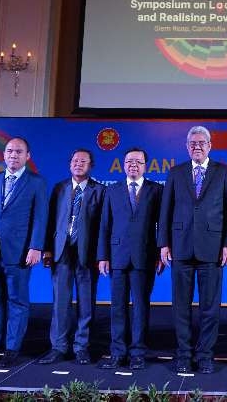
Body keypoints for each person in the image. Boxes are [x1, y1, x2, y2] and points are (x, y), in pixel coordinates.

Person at [158, 126, 227, 374]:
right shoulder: (176, 172)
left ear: (210, 146)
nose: (197, 147)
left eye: (202, 143)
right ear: (186, 146)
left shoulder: (224, 172)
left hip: (213, 249)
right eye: (193, 143)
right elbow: (165, 210)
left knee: (210, 308)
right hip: (180, 247)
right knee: (180, 307)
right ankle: (183, 354)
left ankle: (205, 356)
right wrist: (163, 243)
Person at [0, 137, 48, 368]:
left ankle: (11, 349)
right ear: (4, 154)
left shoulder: (36, 182)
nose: (13, 155)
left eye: (18, 151)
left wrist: (36, 246)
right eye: (9, 151)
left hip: (20, 252)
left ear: (28, 156)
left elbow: (40, 217)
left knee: (17, 302)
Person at [98, 148, 163, 370]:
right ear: (123, 164)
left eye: (138, 161)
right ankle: (118, 352)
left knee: (140, 307)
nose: (133, 165)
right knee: (117, 306)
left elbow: (162, 225)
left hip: (145, 256)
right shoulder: (112, 190)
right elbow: (105, 225)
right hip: (117, 256)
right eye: (129, 161)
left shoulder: (156, 190)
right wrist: (103, 256)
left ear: (146, 165)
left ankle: (138, 352)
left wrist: (160, 253)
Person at [38, 149, 104, 366]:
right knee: (60, 302)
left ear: (91, 166)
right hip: (61, 251)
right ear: (69, 164)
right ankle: (58, 346)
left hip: (87, 254)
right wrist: (47, 249)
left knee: (86, 303)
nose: (78, 164)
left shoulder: (100, 191)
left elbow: (103, 227)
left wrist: (102, 255)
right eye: (75, 160)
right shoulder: (60, 188)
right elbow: (50, 221)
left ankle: (81, 347)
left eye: (83, 161)